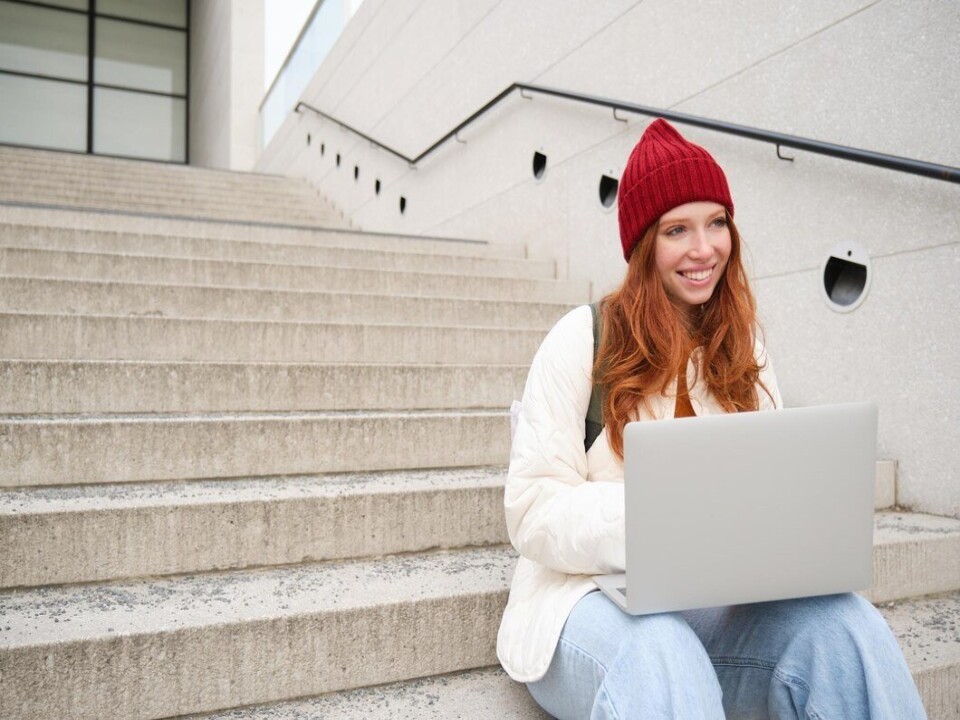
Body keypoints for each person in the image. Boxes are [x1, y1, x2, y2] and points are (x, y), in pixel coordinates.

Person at [497, 119, 926, 719]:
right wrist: (659, 519)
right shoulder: (582, 337)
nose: (705, 249)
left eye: (717, 223)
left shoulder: (743, 343)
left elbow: (766, 485)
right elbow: (532, 507)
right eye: (678, 229)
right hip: (585, 600)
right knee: (661, 645)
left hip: (716, 606)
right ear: (644, 245)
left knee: (845, 624)